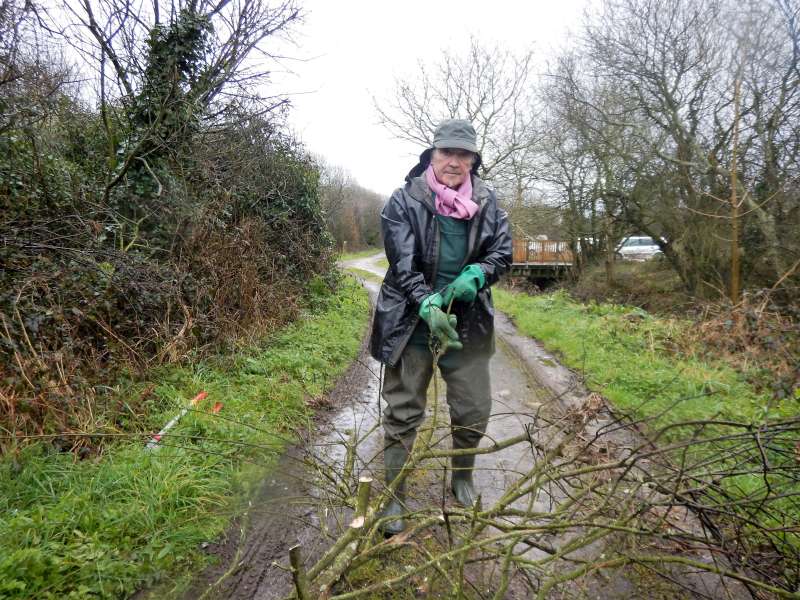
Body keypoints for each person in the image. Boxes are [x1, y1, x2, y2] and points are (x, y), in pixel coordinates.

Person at [369, 118, 513, 535]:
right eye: (447, 152)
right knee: (403, 410)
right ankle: (394, 496)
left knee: (473, 409)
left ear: (473, 160)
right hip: (412, 321)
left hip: (467, 324)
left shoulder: (488, 202)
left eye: (463, 154)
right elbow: (402, 263)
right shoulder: (404, 201)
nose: (454, 161)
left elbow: (501, 253)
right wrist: (426, 301)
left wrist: (478, 275)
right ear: (432, 155)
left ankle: (462, 477)